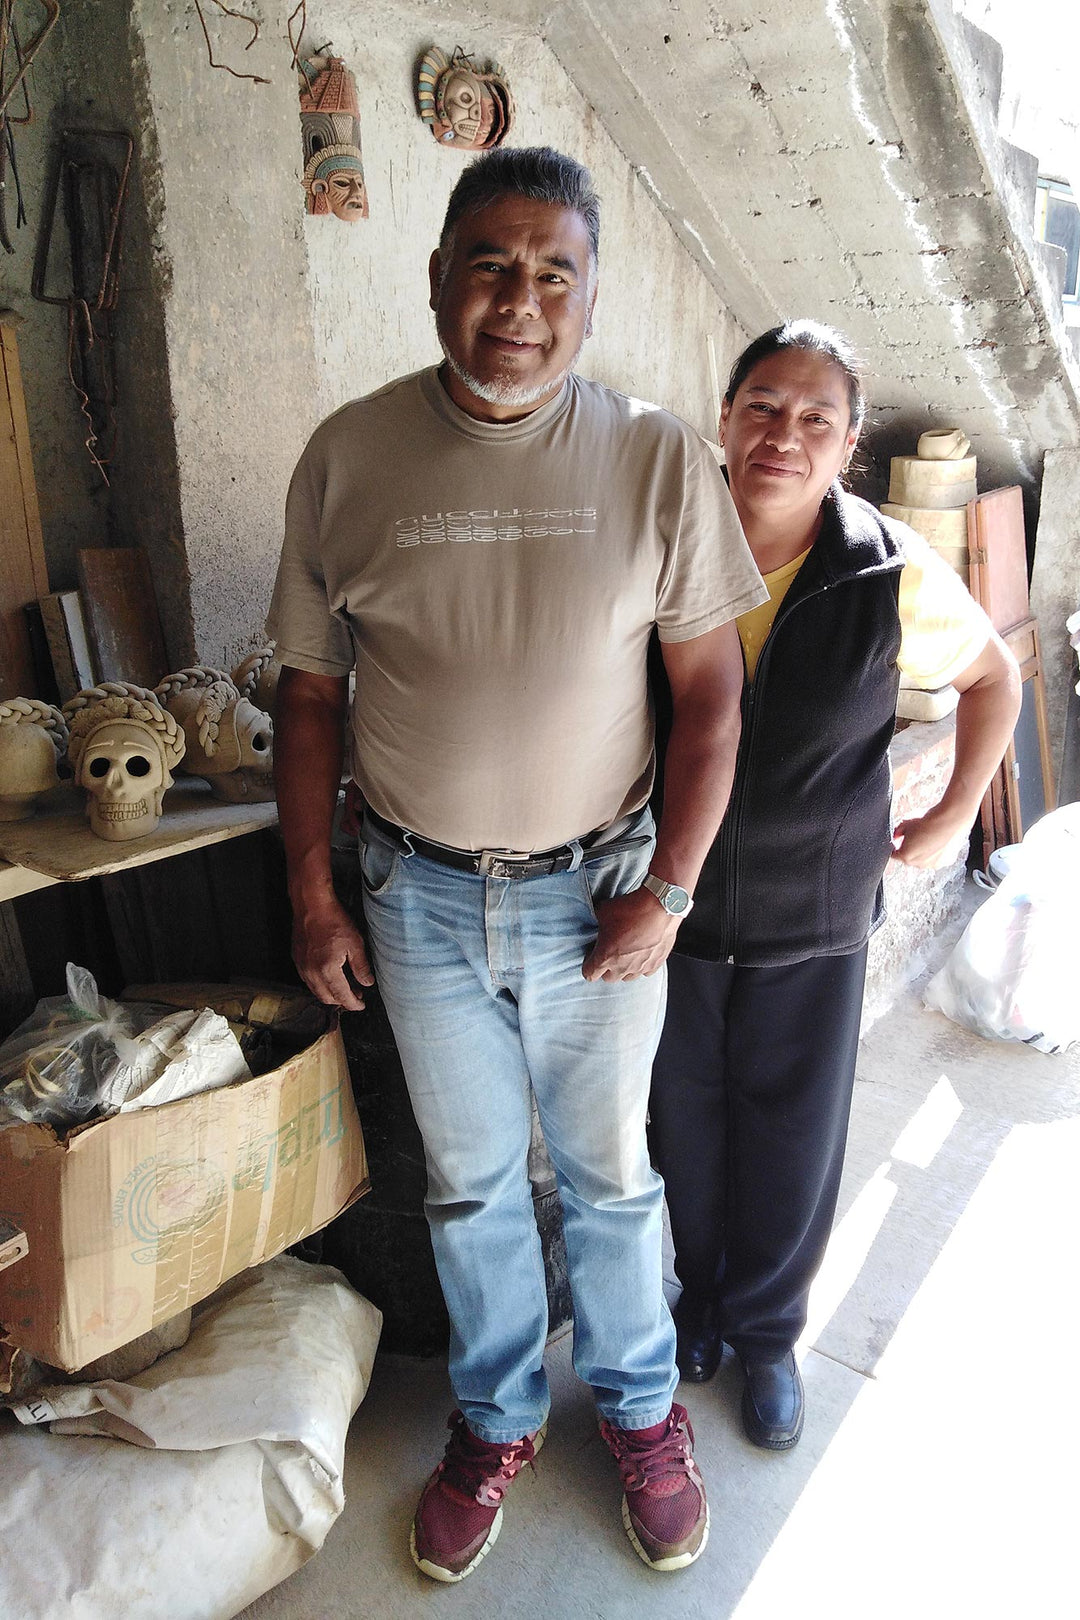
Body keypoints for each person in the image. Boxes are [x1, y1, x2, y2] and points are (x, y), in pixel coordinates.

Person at [267, 146, 766, 1580]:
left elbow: (712, 700)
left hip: (599, 891)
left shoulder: (655, 457)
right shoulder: (349, 456)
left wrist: (668, 892)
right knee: (470, 1184)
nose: (519, 303)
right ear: (438, 278)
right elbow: (308, 695)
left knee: (610, 1177)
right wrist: (314, 889)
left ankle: (640, 1410)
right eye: (490, 265)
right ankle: (494, 1421)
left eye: (555, 273)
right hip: (414, 897)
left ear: (592, 296)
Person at [649, 319, 1022, 1452]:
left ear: (848, 445)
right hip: (666, 910)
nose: (784, 434)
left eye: (817, 418)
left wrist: (953, 814)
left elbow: (994, 678)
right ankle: (697, 1306)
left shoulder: (883, 569)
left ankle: (766, 1337)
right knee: (682, 1124)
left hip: (811, 916)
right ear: (724, 417)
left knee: (793, 1136)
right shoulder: (660, 542)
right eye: (763, 406)